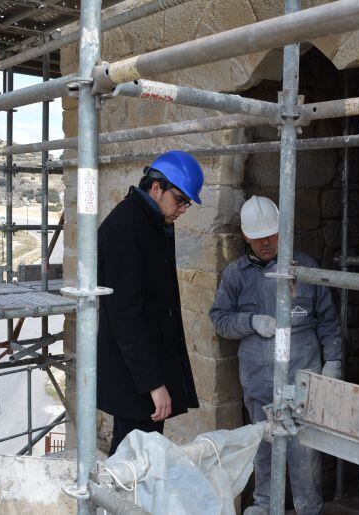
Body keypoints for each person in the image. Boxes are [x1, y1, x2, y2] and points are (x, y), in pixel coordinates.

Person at [209, 195, 343, 515]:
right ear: (246, 238)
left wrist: (334, 361)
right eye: (258, 239)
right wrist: (250, 322)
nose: (266, 244)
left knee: (304, 450)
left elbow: (328, 319)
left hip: (302, 377)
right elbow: (220, 319)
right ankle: (266, 504)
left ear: (282, 232)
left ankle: (308, 509)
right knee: (263, 445)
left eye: (271, 236)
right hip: (258, 380)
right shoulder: (236, 275)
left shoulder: (306, 268)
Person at [97, 150, 204, 455]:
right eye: (180, 199)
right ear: (156, 188)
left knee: (138, 459)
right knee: (134, 463)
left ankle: (124, 504)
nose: (183, 208)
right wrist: (154, 384)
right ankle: (119, 505)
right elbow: (126, 314)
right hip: (135, 379)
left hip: (142, 375)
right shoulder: (128, 228)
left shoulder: (149, 222)